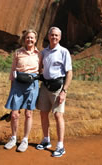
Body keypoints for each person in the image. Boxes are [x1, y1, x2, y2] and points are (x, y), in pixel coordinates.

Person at [36, 27, 73, 157]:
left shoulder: (64, 52)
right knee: (43, 114)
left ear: (60, 37)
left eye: (56, 35)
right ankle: (46, 140)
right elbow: (40, 69)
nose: (54, 37)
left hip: (58, 88)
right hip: (45, 87)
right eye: (52, 35)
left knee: (58, 115)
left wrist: (64, 91)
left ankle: (60, 146)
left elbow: (69, 72)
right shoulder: (44, 52)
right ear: (48, 36)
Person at [4, 29, 42, 152]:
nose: (30, 40)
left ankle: (25, 139)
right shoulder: (18, 53)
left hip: (32, 85)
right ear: (24, 39)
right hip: (17, 85)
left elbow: (41, 72)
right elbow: (12, 71)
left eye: (32, 38)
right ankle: (13, 138)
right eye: (27, 38)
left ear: (35, 40)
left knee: (28, 113)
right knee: (14, 114)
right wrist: (12, 88)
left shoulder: (39, 54)